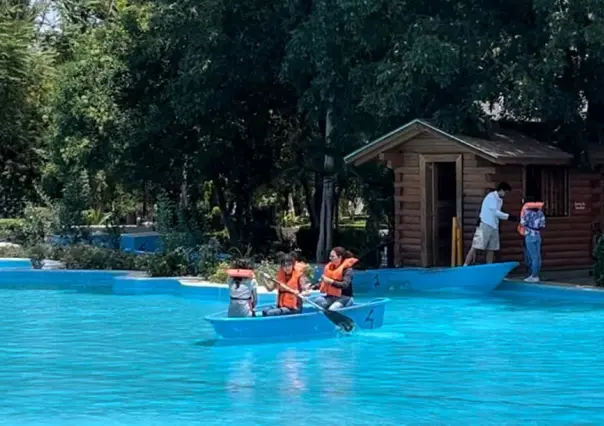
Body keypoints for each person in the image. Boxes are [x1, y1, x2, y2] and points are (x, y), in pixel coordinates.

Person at [464, 182, 517, 266]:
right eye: (505, 192)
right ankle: (465, 265)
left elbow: (497, 214)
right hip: (485, 224)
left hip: (494, 226)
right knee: (475, 246)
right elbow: (495, 212)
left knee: (491, 248)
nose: (505, 194)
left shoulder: (500, 200)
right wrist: (509, 217)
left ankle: (489, 266)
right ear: (501, 190)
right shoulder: (491, 197)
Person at [519, 200, 546, 282]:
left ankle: (534, 275)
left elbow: (522, 223)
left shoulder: (527, 213)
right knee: (538, 256)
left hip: (529, 236)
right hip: (537, 235)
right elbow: (543, 225)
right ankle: (536, 274)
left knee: (533, 257)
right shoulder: (540, 213)